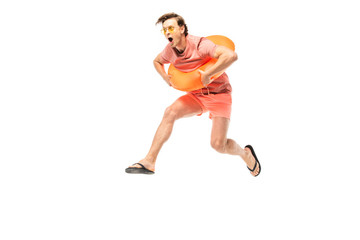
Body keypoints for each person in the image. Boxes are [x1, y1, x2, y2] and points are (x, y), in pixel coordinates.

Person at [125, 13, 261, 176]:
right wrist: (164, 76)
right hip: (197, 95)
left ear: (182, 29)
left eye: (170, 28)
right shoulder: (170, 50)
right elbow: (157, 61)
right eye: (164, 30)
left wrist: (208, 74)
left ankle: (245, 154)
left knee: (218, 144)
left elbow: (231, 55)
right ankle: (149, 161)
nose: (167, 32)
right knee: (170, 112)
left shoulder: (201, 45)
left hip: (219, 94)